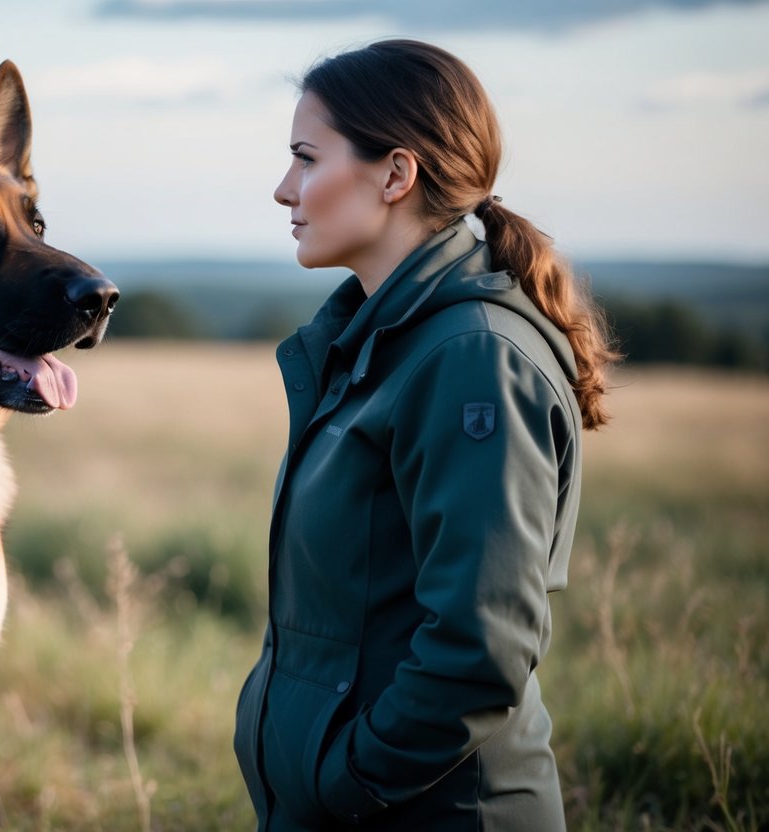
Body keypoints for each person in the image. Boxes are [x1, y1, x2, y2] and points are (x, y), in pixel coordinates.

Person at [233, 39, 617, 831]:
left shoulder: (471, 359)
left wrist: (349, 782)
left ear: (395, 175)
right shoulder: (378, 344)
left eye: (306, 158)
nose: (283, 189)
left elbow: (482, 647)